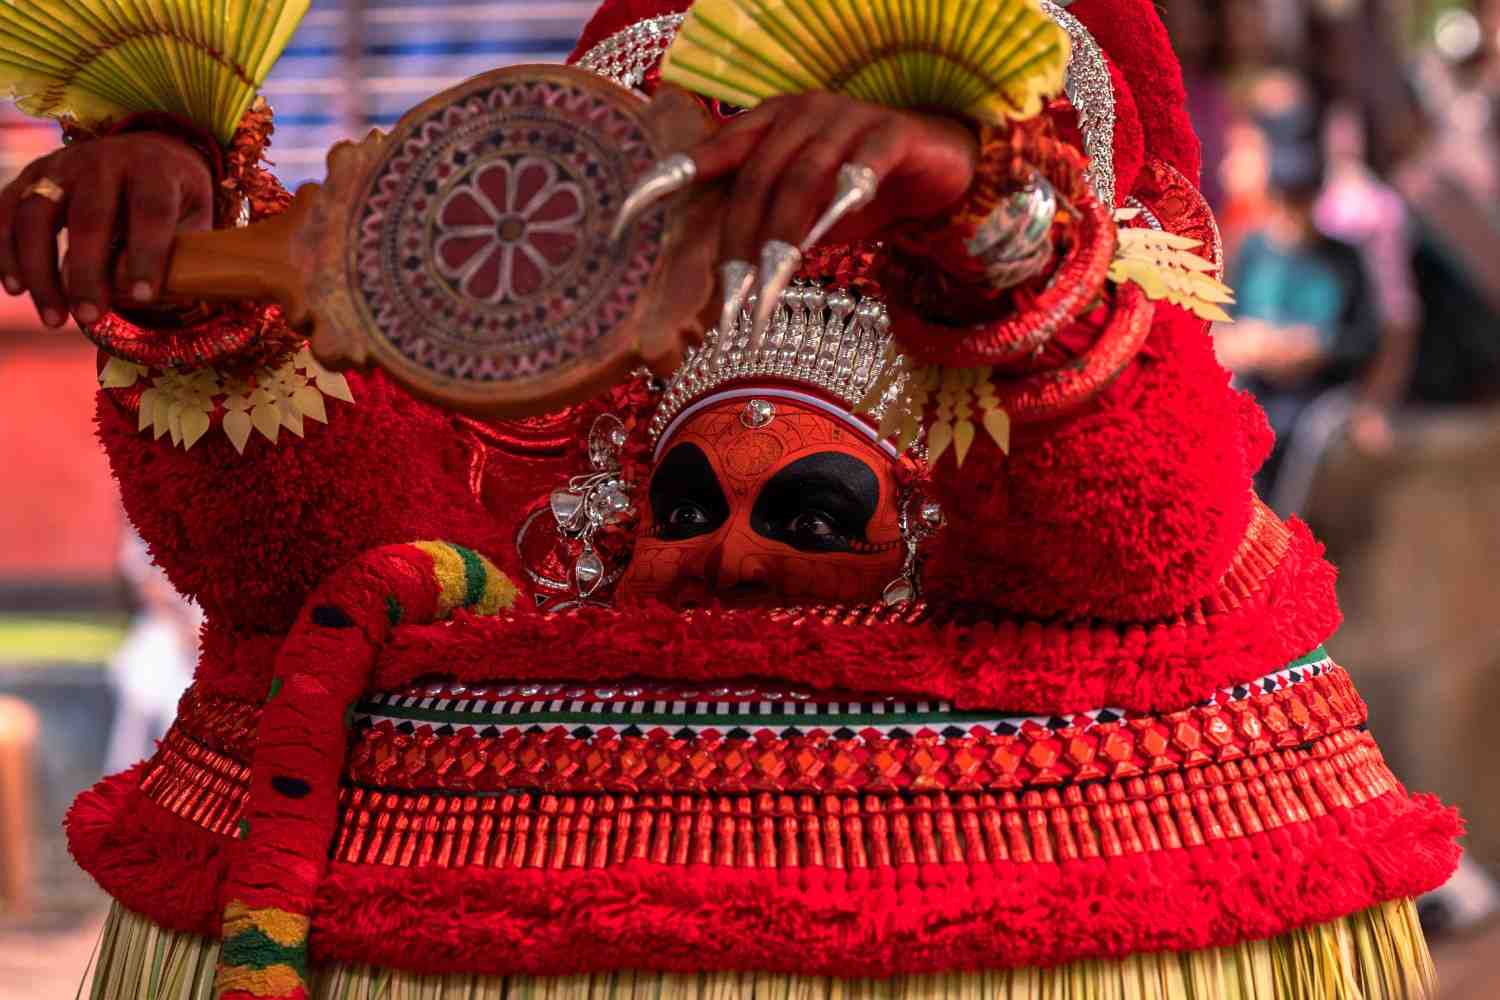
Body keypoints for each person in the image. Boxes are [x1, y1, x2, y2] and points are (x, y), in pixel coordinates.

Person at [0, 1, 1458, 998]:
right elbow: (331, 567)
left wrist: (995, 231)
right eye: (688, 506)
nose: (737, 568)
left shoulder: (1066, 481)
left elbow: (1126, 539)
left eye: (820, 515)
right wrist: (190, 262)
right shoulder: (536, 483)